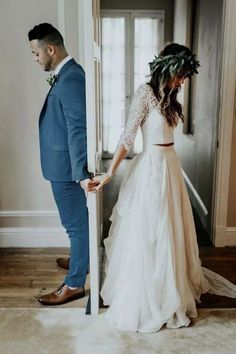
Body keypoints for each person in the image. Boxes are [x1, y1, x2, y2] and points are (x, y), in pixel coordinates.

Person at [94, 43, 236, 332]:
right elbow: (128, 136)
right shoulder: (145, 92)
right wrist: (109, 174)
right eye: (179, 75)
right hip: (152, 167)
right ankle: (152, 292)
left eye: (184, 76)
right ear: (167, 68)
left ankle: (174, 282)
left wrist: (175, 89)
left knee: (172, 227)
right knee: (152, 229)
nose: (181, 81)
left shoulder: (171, 95)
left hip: (171, 165)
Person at [28, 23, 99, 305]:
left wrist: (80, 172)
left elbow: (77, 127)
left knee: (75, 225)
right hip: (61, 164)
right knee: (77, 223)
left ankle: (74, 284)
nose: (34, 59)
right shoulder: (66, 74)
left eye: (35, 53)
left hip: (67, 168)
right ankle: (81, 259)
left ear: (50, 49)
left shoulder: (71, 78)